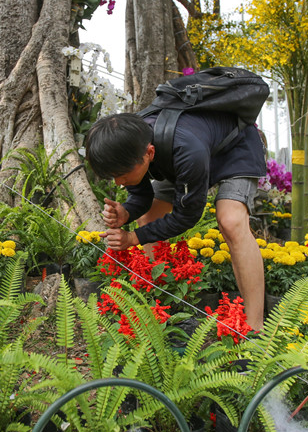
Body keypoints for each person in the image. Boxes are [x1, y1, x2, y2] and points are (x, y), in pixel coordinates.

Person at [84, 112, 267, 333]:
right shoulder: (131, 142)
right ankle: (162, 305)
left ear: (149, 153)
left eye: (121, 175)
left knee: (230, 221)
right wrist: (126, 212)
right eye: (113, 176)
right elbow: (141, 195)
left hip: (234, 149)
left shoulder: (186, 151)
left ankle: (255, 330)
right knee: (148, 217)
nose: (118, 182)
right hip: (186, 158)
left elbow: (187, 215)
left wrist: (133, 238)